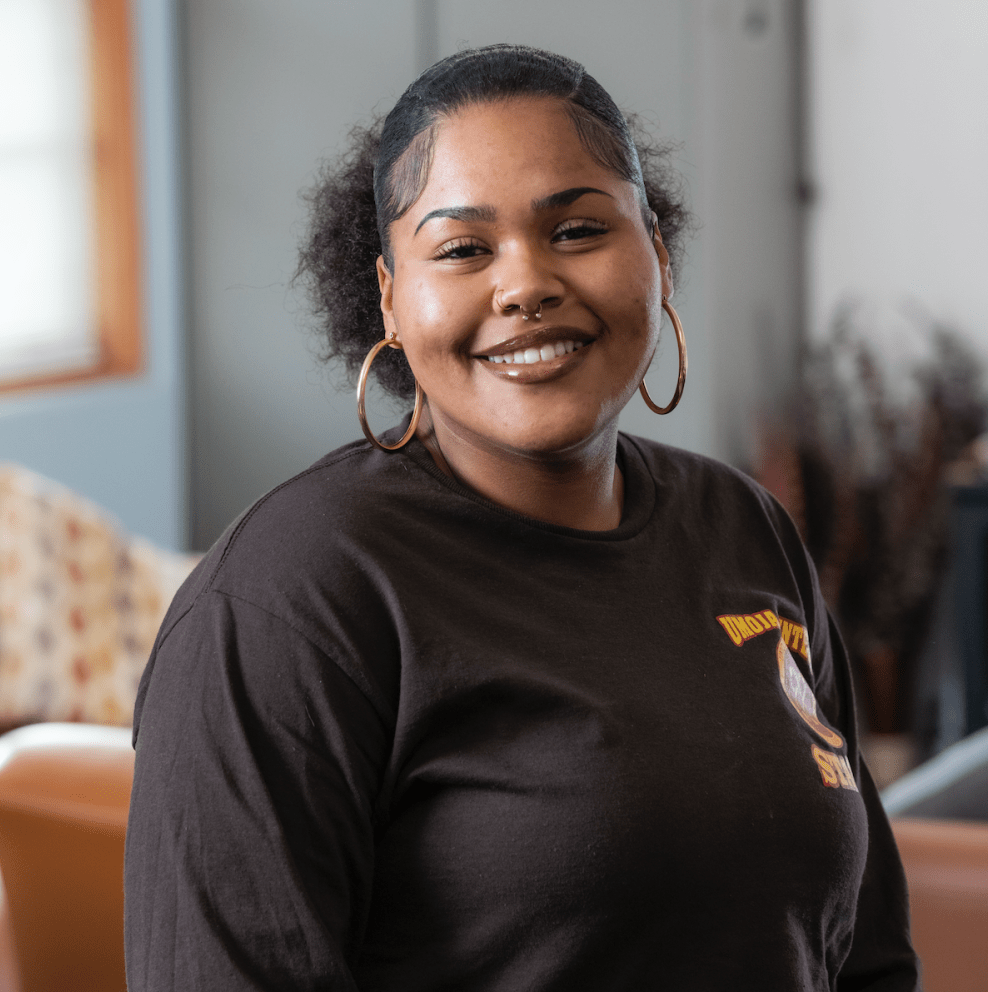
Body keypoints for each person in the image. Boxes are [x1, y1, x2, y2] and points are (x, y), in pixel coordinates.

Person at [124, 44, 919, 991]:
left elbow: (866, 956)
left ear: (656, 256)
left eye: (579, 230)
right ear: (389, 295)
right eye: (462, 248)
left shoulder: (746, 529)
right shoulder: (286, 602)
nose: (525, 284)